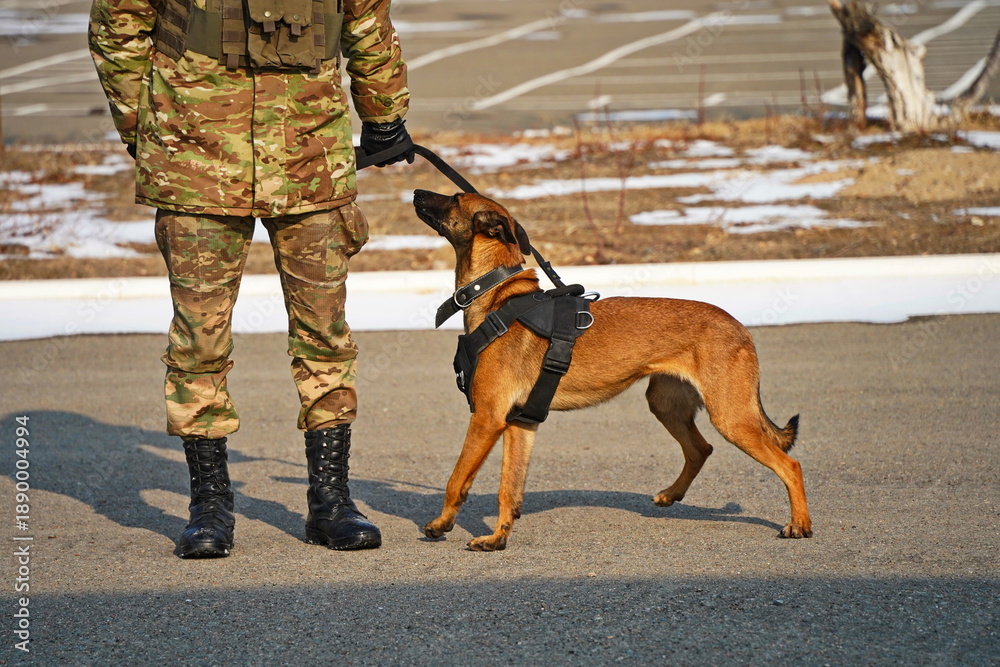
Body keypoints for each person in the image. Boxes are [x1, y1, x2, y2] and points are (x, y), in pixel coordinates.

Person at [89, 0, 413, 557]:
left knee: (325, 334)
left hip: (309, 154)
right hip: (196, 153)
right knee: (198, 339)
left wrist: (385, 116)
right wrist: (145, 131)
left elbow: (365, 20)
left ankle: (330, 501)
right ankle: (209, 505)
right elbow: (119, 26)